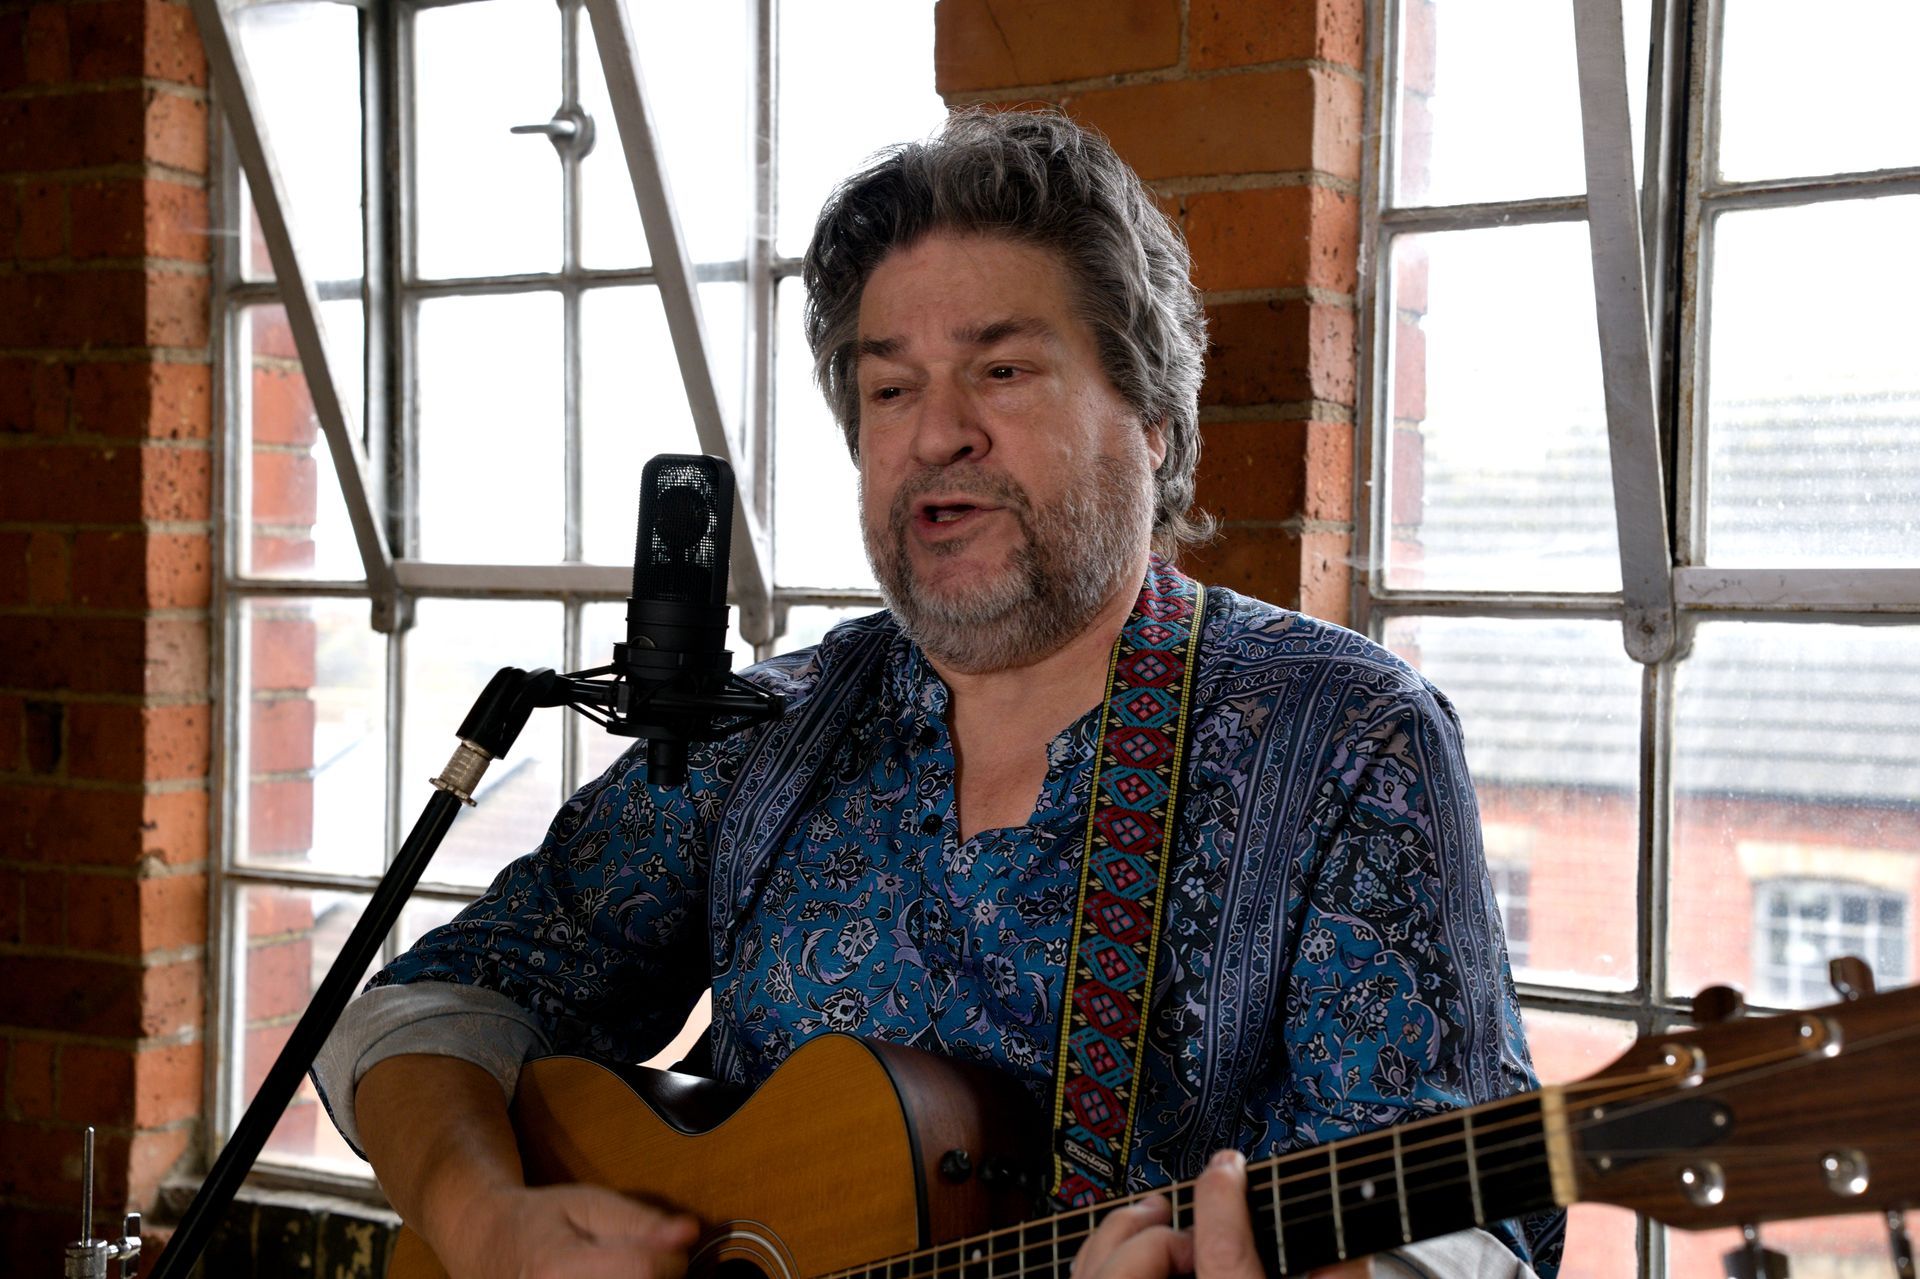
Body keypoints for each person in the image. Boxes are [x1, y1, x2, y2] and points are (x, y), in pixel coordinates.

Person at [313, 109, 1564, 1279]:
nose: (934, 434)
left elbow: (1472, 1231)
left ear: (1153, 419)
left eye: (1002, 371)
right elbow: (433, 1011)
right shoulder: (773, 731)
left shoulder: (1343, 735)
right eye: (890, 388)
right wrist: (486, 1222)